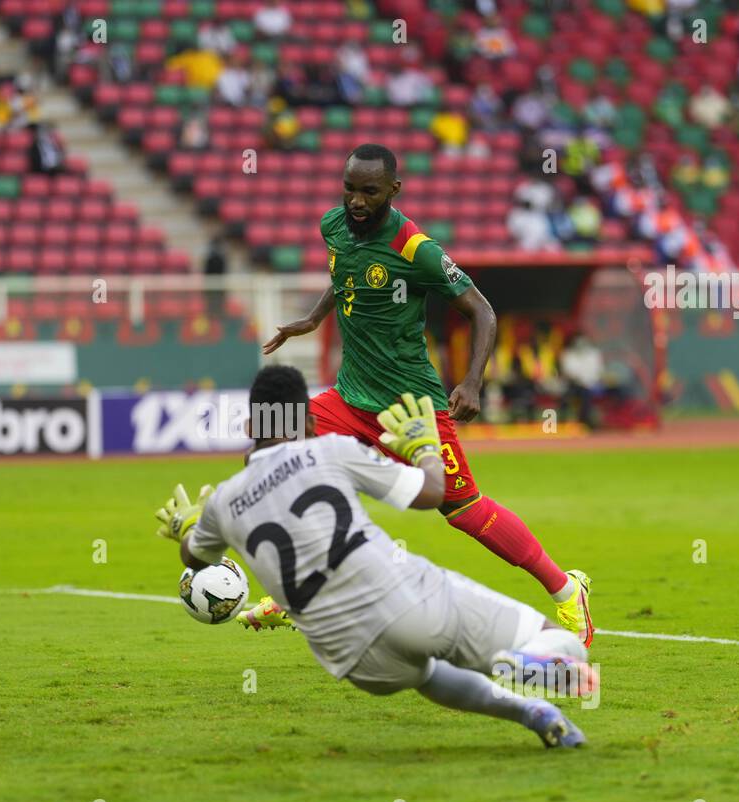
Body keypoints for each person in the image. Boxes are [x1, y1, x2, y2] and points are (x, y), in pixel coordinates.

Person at [155, 365, 591, 749]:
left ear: (251, 423)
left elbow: (193, 558)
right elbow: (432, 494)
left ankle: (533, 714)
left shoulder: (224, 502)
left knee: (429, 674)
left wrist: (188, 527)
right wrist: (423, 449)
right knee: (566, 649)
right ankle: (521, 666)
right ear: (309, 422)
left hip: (351, 659)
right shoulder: (330, 450)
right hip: (406, 602)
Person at [261, 144, 595, 645]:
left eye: (368, 192)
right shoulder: (333, 225)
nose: (355, 200)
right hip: (350, 398)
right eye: (349, 188)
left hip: (410, 408)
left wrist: (472, 380)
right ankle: (302, 589)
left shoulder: (417, 250)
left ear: (393, 191)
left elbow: (483, 312)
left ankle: (566, 590)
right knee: (279, 449)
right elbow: (343, 270)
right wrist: (313, 318)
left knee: (464, 511)